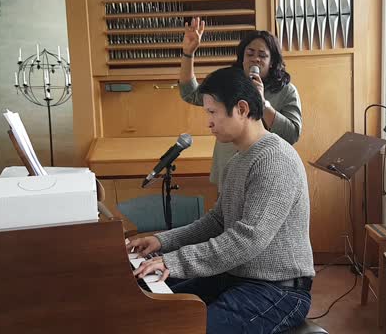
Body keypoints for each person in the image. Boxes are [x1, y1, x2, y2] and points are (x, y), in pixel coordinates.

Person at [127, 67, 314, 334]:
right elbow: (217, 221)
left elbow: (247, 238)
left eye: (212, 112)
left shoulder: (275, 160)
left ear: (241, 109)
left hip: (279, 290)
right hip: (237, 276)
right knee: (157, 304)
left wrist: (175, 261)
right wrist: (162, 241)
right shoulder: (238, 160)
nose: (209, 122)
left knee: (185, 327)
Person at [178, 17, 302, 190]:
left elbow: (292, 134)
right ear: (242, 58)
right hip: (227, 169)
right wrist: (188, 54)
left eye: (262, 56)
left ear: (272, 62)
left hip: (264, 171)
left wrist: (263, 103)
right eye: (249, 54)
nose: (255, 60)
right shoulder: (229, 84)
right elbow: (189, 93)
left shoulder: (287, 91)